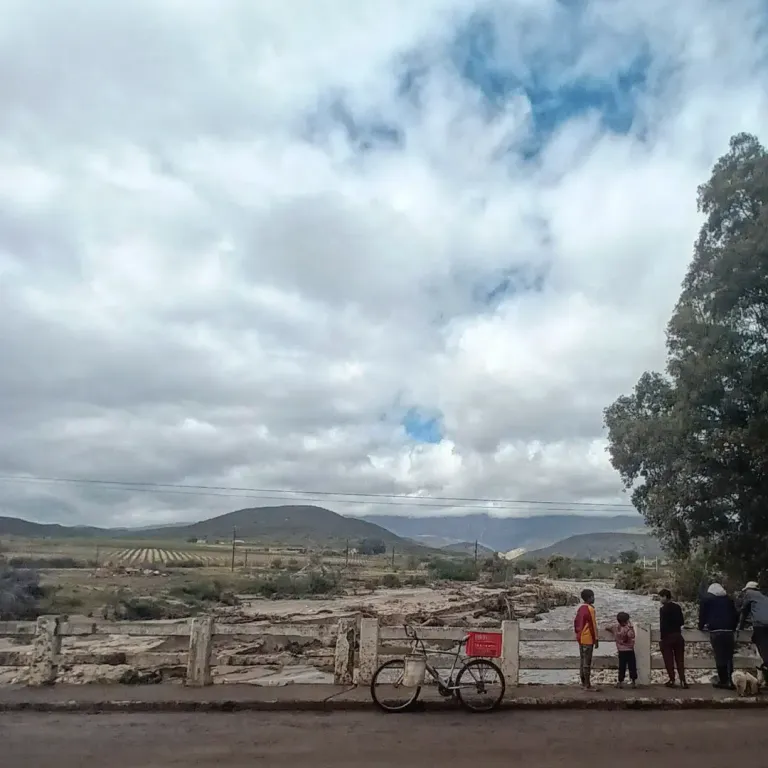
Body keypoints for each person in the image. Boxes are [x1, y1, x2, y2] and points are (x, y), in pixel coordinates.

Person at [698, 582, 738, 688]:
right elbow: (736, 614)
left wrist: (701, 626)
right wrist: (733, 627)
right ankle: (731, 680)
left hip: (716, 631)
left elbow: (703, 615)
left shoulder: (707, 600)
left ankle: (723, 680)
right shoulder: (729, 600)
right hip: (729, 631)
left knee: (720, 656)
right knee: (729, 657)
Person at [738, 580, 768, 685]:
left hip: (760, 625)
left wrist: (740, 627)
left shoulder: (749, 594)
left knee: (763, 652)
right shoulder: (764, 596)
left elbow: (744, 612)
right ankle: (762, 677)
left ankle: (763, 676)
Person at [658, 588, 688, 688]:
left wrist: (662, 639)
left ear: (665, 597)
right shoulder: (677, 607)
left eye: (661, 597)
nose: (660, 600)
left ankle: (672, 680)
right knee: (680, 660)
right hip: (678, 636)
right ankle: (683, 681)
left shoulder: (663, 609)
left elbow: (662, 625)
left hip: (667, 637)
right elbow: (681, 622)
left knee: (669, 660)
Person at [574, 588, 599, 690]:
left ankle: (583, 682)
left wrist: (578, 634)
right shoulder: (591, 609)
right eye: (593, 596)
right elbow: (593, 625)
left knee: (582, 661)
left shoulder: (580, 608)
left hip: (581, 638)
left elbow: (576, 623)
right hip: (588, 639)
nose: (594, 598)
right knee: (587, 663)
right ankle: (587, 685)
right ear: (589, 598)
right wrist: (596, 639)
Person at [605, 611, 637, 688]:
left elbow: (607, 627)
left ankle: (620, 682)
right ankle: (633, 682)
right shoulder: (628, 628)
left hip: (621, 651)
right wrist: (631, 627)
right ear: (626, 621)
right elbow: (632, 636)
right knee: (632, 666)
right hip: (629, 650)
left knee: (621, 667)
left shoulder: (615, 628)